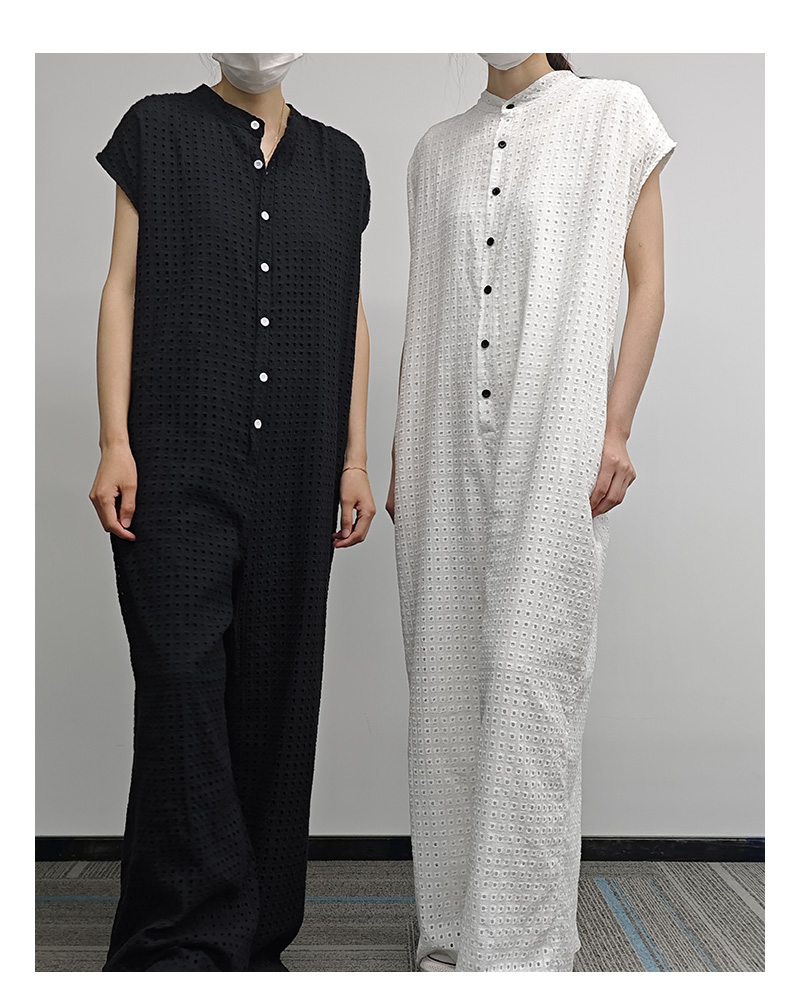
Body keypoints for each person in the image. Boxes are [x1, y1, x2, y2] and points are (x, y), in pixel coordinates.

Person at [388, 52, 675, 972]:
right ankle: (449, 937)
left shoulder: (614, 114)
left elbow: (647, 282)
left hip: (557, 430)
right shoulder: (435, 151)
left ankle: (519, 953)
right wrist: (399, 447)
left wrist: (616, 426)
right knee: (443, 689)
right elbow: (428, 307)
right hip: (437, 438)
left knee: (528, 679)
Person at [89, 52, 374, 972]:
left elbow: (349, 313)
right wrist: (114, 440)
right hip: (174, 457)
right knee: (181, 685)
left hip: (300, 463)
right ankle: (181, 938)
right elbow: (122, 287)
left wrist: (353, 457)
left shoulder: (341, 162)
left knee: (276, 693)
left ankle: (253, 935)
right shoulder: (157, 130)